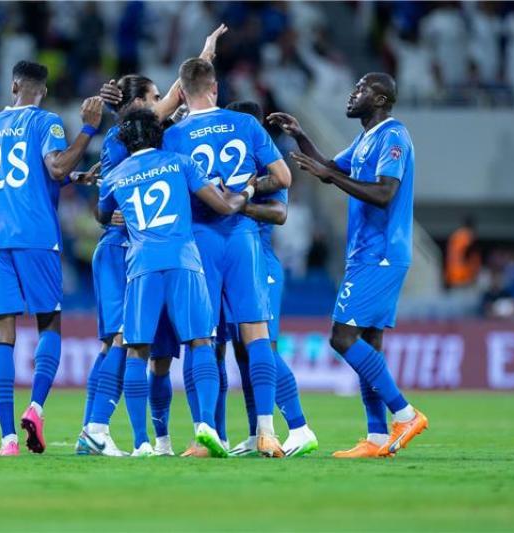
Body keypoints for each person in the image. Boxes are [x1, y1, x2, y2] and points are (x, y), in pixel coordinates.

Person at [77, 24, 228, 458]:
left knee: (148, 351)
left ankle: (149, 440)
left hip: (140, 251)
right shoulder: (136, 144)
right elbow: (183, 94)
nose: (162, 102)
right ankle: (96, 427)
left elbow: (103, 203)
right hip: (124, 248)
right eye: (153, 96)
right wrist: (204, 57)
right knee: (121, 342)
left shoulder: (129, 156)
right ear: (138, 104)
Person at [268, 72, 428, 458]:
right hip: (366, 253)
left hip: (381, 252)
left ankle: (405, 414)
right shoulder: (365, 139)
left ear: (381, 99)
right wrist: (300, 135)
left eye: (361, 89)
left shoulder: (393, 136)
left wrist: (329, 175)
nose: (353, 94)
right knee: (368, 344)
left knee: (342, 338)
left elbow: (384, 193)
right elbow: (331, 169)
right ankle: (376, 437)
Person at [95, 108, 253, 457]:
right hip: (184, 261)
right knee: (201, 342)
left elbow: (102, 214)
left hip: (142, 266)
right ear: (159, 134)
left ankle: (141, 442)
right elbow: (224, 206)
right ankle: (206, 426)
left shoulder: (114, 177)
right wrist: (248, 191)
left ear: (125, 140)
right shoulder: (181, 162)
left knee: (137, 350)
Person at [163, 58, 292, 457]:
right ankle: (266, 432)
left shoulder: (174, 135)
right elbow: (284, 178)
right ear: (215, 88)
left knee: (201, 337)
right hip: (243, 238)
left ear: (182, 93)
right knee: (257, 334)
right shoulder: (246, 124)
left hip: (199, 240)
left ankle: (205, 436)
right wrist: (246, 191)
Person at [0, 60, 103, 457]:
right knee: (49, 322)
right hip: (35, 236)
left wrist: (71, 177)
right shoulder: (46, 121)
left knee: (2, 334)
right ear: (42, 91)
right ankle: (35, 408)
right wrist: (88, 129)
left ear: (14, 86)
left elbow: (30, 174)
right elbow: (55, 165)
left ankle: (7, 440)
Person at [221, 100, 318, 458]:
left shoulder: (267, 166)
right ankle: (255, 433)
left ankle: (299, 428)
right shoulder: (236, 166)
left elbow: (279, 213)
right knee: (244, 354)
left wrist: (237, 202)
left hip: (261, 265)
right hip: (238, 264)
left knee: (265, 348)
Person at [445, 215, 481, 289]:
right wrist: (473, 273)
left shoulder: (455, 235)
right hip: (464, 275)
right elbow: (469, 253)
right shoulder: (469, 235)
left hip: (452, 274)